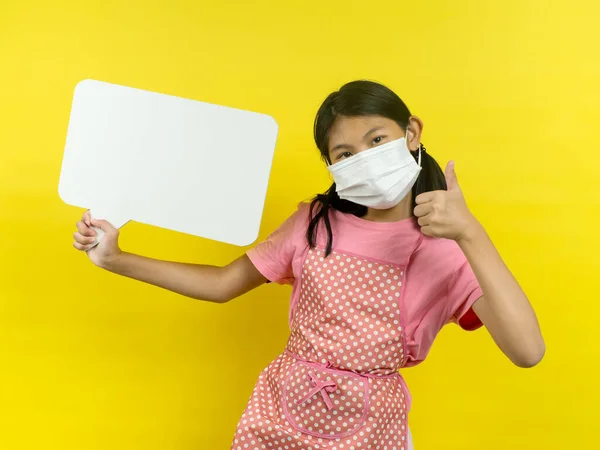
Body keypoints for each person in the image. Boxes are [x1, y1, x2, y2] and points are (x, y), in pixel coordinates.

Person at [72, 80, 545, 450]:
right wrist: (117, 259)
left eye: (377, 138)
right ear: (332, 166)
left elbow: (527, 350)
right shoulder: (313, 223)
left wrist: (470, 232)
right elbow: (223, 283)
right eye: (345, 154)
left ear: (412, 132)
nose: (365, 158)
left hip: (372, 429)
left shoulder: (447, 249)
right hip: (279, 413)